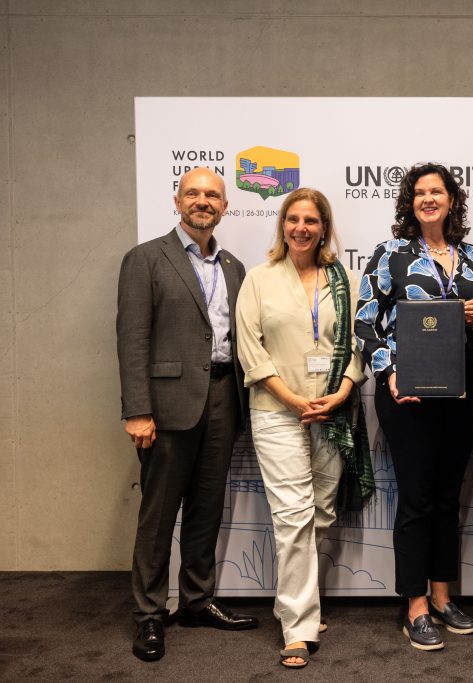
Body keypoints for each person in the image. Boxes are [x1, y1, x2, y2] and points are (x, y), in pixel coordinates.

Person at [117, 167, 258, 663]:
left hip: (224, 398)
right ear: (177, 201)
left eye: (213, 195)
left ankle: (197, 601)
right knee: (158, 516)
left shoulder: (236, 267)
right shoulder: (145, 259)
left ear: (225, 207)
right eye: (193, 193)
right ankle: (150, 614)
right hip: (167, 405)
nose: (203, 201)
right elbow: (132, 339)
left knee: (206, 507)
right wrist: (137, 410)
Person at [355, 162, 473, 651]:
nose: (428, 199)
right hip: (406, 393)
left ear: (452, 200)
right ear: (409, 203)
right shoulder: (390, 254)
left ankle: (442, 595)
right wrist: (390, 373)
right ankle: (414, 605)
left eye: (437, 191)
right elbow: (366, 323)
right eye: (419, 193)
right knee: (415, 498)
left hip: (462, 394)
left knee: (447, 498)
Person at [235, 188, 372, 668]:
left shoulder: (346, 278)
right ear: (282, 225)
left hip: (333, 412)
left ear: (324, 227)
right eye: (293, 219)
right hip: (277, 412)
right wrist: (293, 400)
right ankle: (297, 626)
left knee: (321, 513)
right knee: (292, 517)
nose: (301, 228)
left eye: (311, 220)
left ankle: (297, 600)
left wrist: (344, 389)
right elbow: (250, 350)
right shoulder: (259, 279)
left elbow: (360, 342)